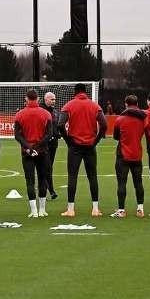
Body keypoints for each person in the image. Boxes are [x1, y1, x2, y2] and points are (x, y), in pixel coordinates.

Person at [58, 83, 107, 218]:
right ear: (85, 92)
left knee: (72, 176)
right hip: (90, 145)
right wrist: (96, 140)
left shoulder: (69, 105)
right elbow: (104, 124)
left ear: (75, 92)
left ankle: (70, 209)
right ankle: (95, 209)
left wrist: (68, 141)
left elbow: (60, 124)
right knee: (92, 176)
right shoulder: (94, 106)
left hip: (74, 146)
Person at [14, 89, 53, 218]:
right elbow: (49, 134)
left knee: (30, 180)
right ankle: (42, 210)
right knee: (42, 179)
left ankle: (34, 211)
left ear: (26, 99)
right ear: (38, 99)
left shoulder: (19, 114)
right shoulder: (46, 114)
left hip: (27, 152)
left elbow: (17, 135)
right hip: (42, 152)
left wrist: (29, 147)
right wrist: (38, 146)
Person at [111, 95, 147, 218]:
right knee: (138, 182)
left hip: (123, 154)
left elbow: (116, 136)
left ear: (126, 104)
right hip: (137, 154)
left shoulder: (120, 119)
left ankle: (121, 210)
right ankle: (140, 209)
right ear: (137, 104)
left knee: (122, 183)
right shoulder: (143, 119)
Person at [39, 91, 60, 199]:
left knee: (49, 166)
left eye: (54, 99)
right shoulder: (40, 110)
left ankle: (47, 188)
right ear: (46, 99)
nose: (54, 101)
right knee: (46, 167)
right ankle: (50, 190)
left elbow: (56, 126)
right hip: (44, 143)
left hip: (53, 143)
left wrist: (58, 134)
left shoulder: (55, 112)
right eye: (52, 99)